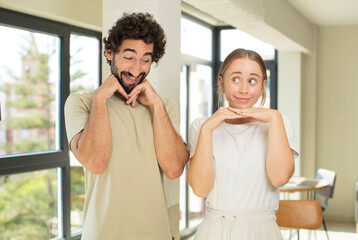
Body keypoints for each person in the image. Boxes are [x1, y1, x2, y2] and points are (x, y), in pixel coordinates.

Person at [64, 13, 189, 240]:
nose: (136, 69)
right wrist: (101, 99)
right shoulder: (81, 103)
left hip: (156, 234)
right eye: (129, 57)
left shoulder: (164, 108)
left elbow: (174, 169)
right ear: (110, 52)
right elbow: (96, 162)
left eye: (146, 59)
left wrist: (157, 106)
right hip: (102, 234)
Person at [187, 48, 299, 240]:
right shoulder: (201, 126)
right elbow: (200, 189)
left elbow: (279, 178)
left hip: (262, 232)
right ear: (221, 82)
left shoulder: (279, 123)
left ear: (263, 85)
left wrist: (274, 117)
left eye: (252, 81)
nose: (244, 90)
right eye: (235, 79)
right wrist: (207, 130)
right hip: (214, 231)